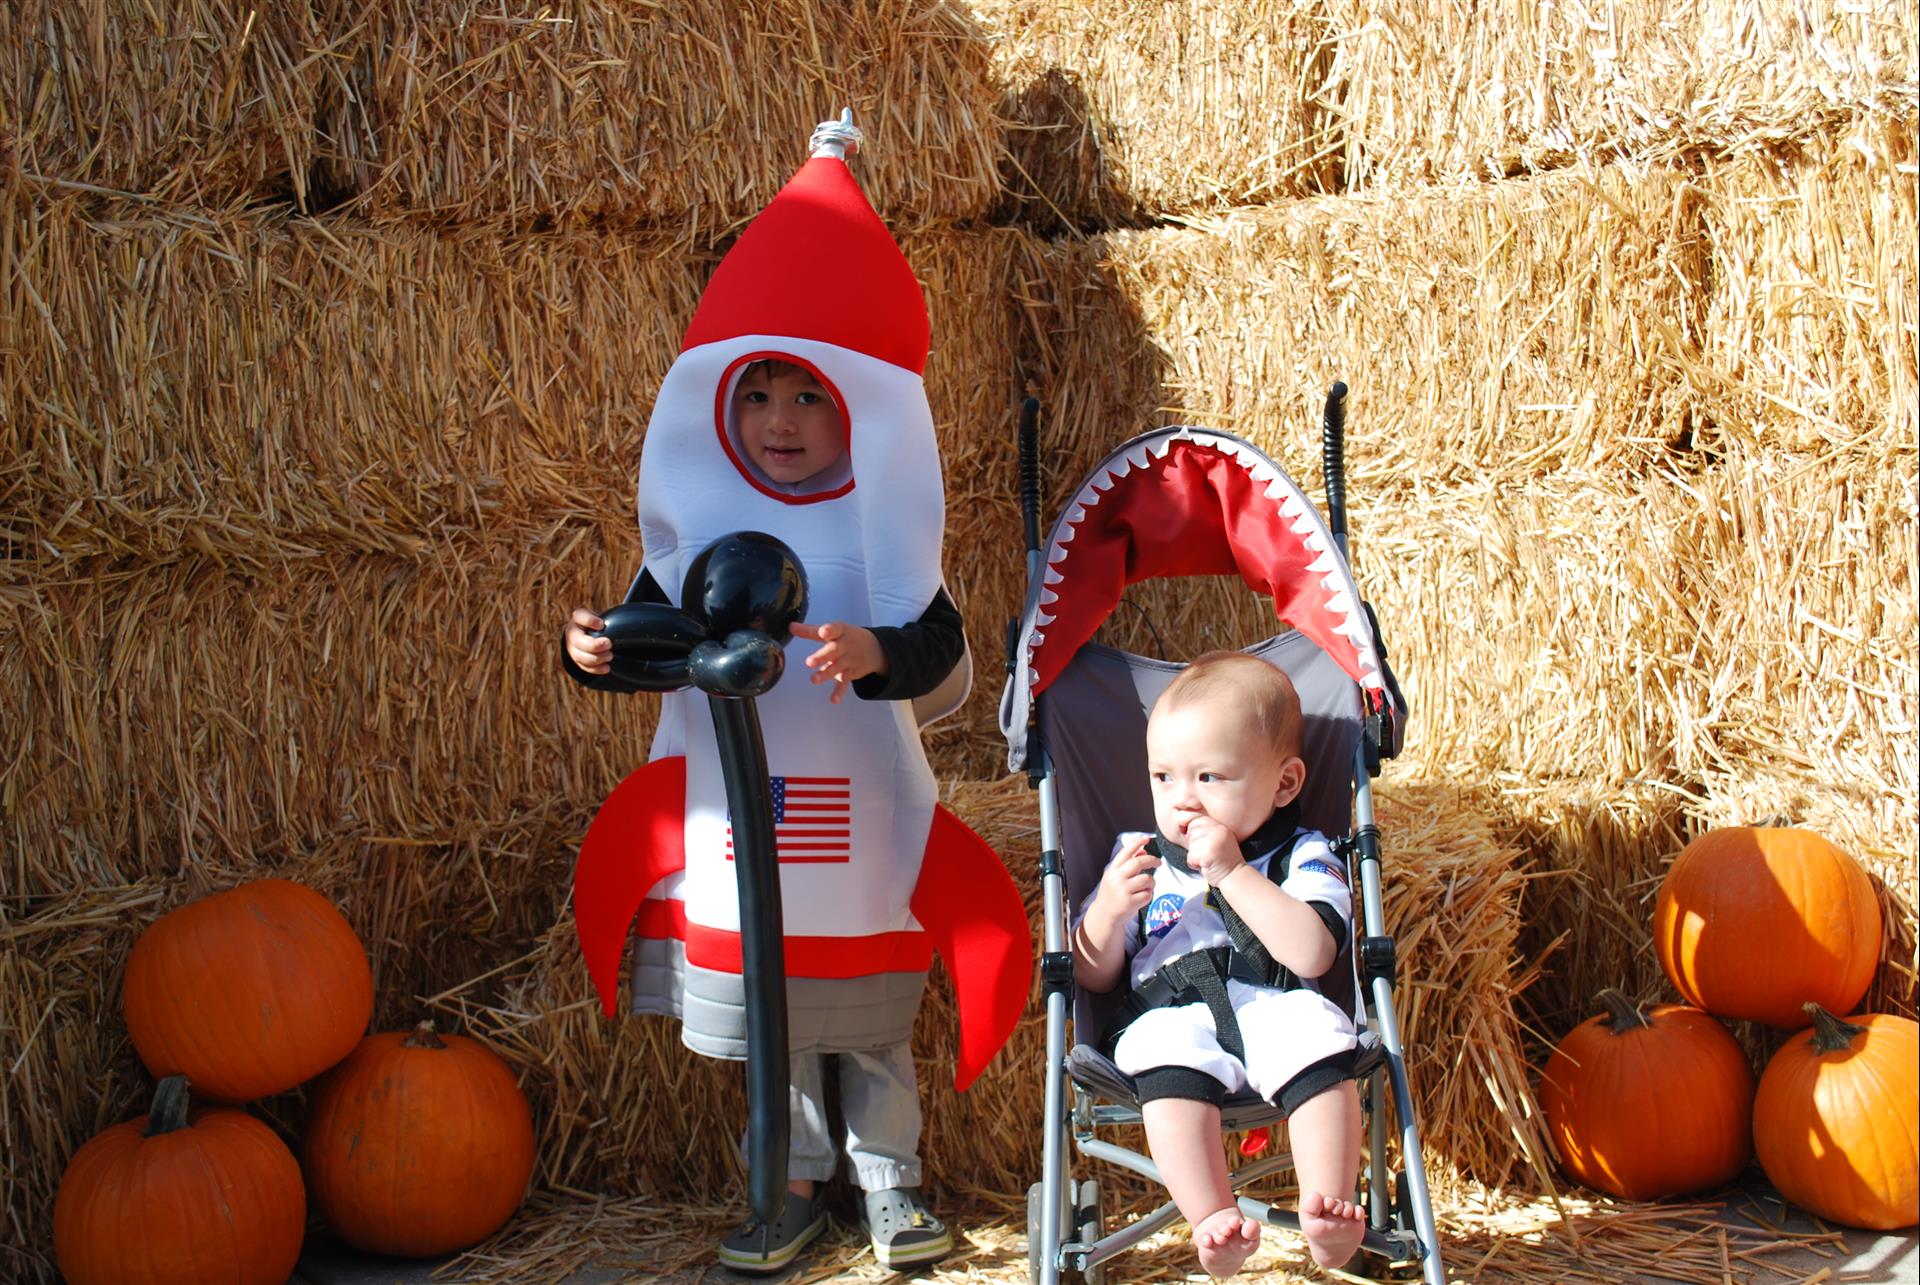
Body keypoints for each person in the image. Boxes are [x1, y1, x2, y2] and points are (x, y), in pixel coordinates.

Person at [559, 111, 1028, 1279]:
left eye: (807, 398)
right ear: (718, 402)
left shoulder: (887, 541)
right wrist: (596, 652)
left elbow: (944, 653)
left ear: (859, 412)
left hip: (860, 827)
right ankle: (791, 1185)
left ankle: (891, 1185)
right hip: (741, 822)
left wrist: (878, 655)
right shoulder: (700, 533)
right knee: (780, 1013)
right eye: (759, 394)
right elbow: (653, 640)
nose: (778, 422)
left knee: (867, 1018)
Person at [1071, 651, 1368, 1277]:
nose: (1183, 800)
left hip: (1274, 1005)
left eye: (1209, 778)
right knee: (1157, 1048)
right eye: (1163, 778)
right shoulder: (1139, 857)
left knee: (1318, 1035)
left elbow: (1314, 951)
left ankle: (1330, 1208)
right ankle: (1212, 1219)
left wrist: (1233, 871)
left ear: (1284, 784)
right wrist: (1106, 916)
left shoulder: (1302, 854)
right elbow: (1092, 977)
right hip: (1171, 1013)